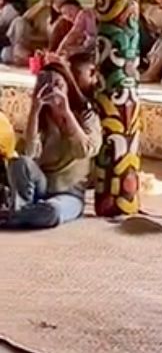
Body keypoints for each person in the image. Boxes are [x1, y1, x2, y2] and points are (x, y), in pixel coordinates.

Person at [2, 55, 101, 230]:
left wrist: (66, 113)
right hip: (42, 186)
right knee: (19, 163)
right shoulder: (42, 118)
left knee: (52, 212)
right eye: (44, 84)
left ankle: (17, 215)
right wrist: (35, 110)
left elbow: (85, 150)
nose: (52, 89)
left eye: (58, 84)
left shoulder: (86, 115)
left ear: (68, 86)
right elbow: (29, 154)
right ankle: (22, 212)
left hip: (69, 193)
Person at [4, 0, 71, 66]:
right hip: (30, 44)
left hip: (46, 47)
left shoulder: (66, 14)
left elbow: (55, 41)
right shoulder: (45, 10)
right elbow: (24, 19)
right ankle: (29, 57)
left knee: (10, 53)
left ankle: (36, 60)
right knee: (18, 22)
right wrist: (41, 4)